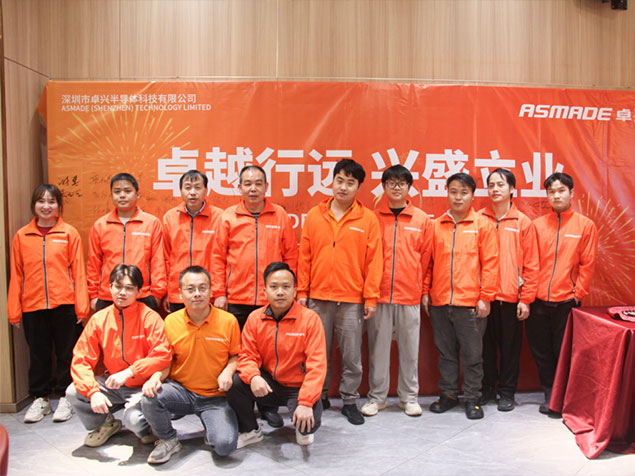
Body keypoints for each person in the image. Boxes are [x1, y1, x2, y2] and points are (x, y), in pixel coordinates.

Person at [211, 164, 298, 428]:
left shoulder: (279, 215)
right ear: (239, 187)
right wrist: (219, 293)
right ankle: (242, 407)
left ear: (266, 187)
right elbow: (217, 257)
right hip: (236, 299)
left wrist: (291, 291)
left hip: (270, 300)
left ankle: (268, 406)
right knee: (239, 355)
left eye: (258, 183)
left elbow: (290, 255)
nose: (253, 188)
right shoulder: (228, 217)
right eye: (247, 183)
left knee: (269, 355)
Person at [297, 158, 382, 425]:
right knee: (316, 353)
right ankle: (318, 395)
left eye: (350, 183)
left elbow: (374, 261)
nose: (343, 187)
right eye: (339, 180)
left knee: (352, 356)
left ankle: (349, 401)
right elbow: (305, 256)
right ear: (332, 181)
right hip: (318, 298)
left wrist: (370, 297)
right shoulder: (315, 215)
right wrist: (302, 291)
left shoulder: (367, 219)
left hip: (352, 299)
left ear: (358, 187)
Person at [141, 266, 240, 464]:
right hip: (182, 391)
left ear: (211, 291)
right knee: (150, 397)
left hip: (214, 396)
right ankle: (168, 439)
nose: (197, 294)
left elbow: (235, 356)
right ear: (180, 293)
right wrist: (155, 377)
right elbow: (166, 359)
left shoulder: (228, 321)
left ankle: (211, 425)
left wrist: (228, 372)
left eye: (202, 288)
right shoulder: (170, 321)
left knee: (225, 446)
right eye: (190, 289)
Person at [8, 184, 89, 423]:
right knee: (38, 355)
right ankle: (40, 398)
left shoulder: (69, 234)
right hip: (32, 306)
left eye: (51, 201)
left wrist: (81, 308)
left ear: (59, 205)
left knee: (66, 354)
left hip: (65, 305)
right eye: (41, 201)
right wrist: (14, 311)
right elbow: (16, 275)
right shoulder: (22, 236)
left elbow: (79, 273)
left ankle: (66, 396)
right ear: (34, 205)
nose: (46, 206)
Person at [66, 264, 171, 447]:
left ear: (139, 291)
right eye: (118, 286)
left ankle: (148, 427)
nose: (122, 292)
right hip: (113, 384)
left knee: (134, 421)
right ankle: (104, 424)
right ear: (110, 287)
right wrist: (92, 392)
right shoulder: (99, 319)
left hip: (143, 386)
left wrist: (130, 372)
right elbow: (81, 360)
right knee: (73, 392)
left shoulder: (150, 318)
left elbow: (162, 355)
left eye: (129, 288)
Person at [422, 172, 499, 420]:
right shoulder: (436, 226)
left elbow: (491, 264)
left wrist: (485, 297)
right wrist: (425, 292)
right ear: (447, 193)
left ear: (473, 196)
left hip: (470, 304)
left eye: (464, 192)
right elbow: (429, 264)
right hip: (440, 301)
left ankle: (473, 398)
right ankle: (448, 395)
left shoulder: (482, 225)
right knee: (445, 353)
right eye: (453, 191)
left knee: (473, 355)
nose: (458, 197)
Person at [227, 262, 327, 447]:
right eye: (274, 287)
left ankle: (302, 421)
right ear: (265, 291)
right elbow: (247, 356)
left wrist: (306, 402)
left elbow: (317, 365)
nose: (280, 292)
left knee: (308, 428)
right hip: (269, 384)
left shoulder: (310, 320)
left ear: (294, 291)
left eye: (286, 287)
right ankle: (250, 430)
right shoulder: (255, 318)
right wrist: (253, 376)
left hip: (297, 387)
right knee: (236, 383)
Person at [362, 165, 432, 418]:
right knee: (378, 350)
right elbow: (366, 258)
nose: (396, 187)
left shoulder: (421, 220)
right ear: (383, 186)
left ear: (409, 187)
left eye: (401, 183)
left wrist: (423, 290)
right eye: (391, 183)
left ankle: (409, 398)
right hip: (379, 296)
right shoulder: (372, 218)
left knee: (410, 351)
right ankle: (377, 398)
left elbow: (426, 260)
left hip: (409, 295)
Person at [527, 172, 597, 415]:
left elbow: (587, 264)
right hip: (538, 301)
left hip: (566, 301)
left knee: (563, 351)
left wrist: (578, 292)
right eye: (551, 192)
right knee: (541, 350)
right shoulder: (537, 226)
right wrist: (529, 296)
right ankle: (550, 392)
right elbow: (530, 263)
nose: (556, 196)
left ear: (571, 193)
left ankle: (563, 397)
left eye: (561, 191)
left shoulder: (585, 226)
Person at [478, 168, 539, 412]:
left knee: (510, 350)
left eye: (501, 185)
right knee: (484, 349)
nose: (495, 189)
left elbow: (532, 265)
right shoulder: (478, 219)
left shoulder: (523, 222)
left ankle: (506, 392)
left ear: (512, 189)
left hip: (511, 298)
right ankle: (486, 389)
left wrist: (526, 299)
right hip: (484, 299)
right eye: (491, 185)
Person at [87, 172, 166, 312]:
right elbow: (94, 263)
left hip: (142, 294)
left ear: (137, 194)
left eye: (127, 191)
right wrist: (93, 295)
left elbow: (158, 262)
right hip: (108, 296)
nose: (122, 195)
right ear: (111, 195)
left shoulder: (151, 223)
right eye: (117, 191)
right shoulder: (100, 225)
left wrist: (157, 295)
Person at [162, 170, 223, 313]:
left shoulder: (220, 217)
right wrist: (165, 292)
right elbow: (164, 258)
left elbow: (223, 259)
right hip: (178, 294)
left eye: (198, 187)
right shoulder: (170, 218)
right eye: (188, 188)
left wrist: (220, 292)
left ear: (206, 190)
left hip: (208, 293)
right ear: (181, 190)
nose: (193, 192)